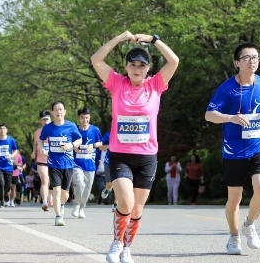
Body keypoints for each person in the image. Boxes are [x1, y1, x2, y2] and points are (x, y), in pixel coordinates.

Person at [91, 30, 179, 263]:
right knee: (126, 203)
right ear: (126, 67)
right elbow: (96, 60)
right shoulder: (117, 83)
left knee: (138, 208)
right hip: (120, 155)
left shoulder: (156, 85)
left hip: (147, 157)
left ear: (148, 68)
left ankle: (127, 248)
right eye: (132, 64)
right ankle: (116, 242)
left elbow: (174, 61)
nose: (137, 68)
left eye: (142, 64)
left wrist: (154, 40)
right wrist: (119, 39)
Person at [205, 42, 260, 255]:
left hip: (258, 146)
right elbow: (209, 115)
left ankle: (249, 224)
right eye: (247, 57)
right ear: (237, 63)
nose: (252, 61)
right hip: (234, 150)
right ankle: (234, 237)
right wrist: (231, 118)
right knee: (234, 198)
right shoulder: (226, 89)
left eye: (255, 57)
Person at [39, 101, 83, 226]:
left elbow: (79, 139)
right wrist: (42, 149)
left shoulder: (71, 126)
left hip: (68, 164)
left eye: (60, 109)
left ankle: (62, 204)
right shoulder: (48, 128)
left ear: (64, 112)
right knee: (56, 192)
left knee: (65, 193)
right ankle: (58, 216)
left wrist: (71, 145)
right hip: (53, 164)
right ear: (53, 113)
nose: (58, 111)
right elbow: (41, 140)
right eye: (56, 109)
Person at [72, 107, 103, 219]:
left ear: (89, 117)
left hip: (90, 163)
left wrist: (93, 145)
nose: (84, 120)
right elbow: (69, 141)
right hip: (77, 163)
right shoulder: (75, 129)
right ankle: (76, 205)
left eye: (86, 117)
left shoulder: (95, 130)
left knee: (87, 188)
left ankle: (82, 208)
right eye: (82, 118)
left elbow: (100, 142)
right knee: (80, 184)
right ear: (79, 118)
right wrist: (74, 146)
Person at [0, 123, 19, 208]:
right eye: (0, 129)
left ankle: (5, 194)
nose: (2, 130)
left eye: (4, 129)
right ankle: (1, 201)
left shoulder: (11, 140)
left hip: (8, 166)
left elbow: (16, 150)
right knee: (1, 183)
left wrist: (11, 156)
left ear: (7, 130)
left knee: (8, 185)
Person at [31, 110, 53, 211]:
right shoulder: (37, 132)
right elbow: (36, 144)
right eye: (43, 120)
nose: (45, 121)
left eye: (47, 119)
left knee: (51, 181)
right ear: (41, 121)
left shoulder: (55, 130)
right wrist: (33, 152)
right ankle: (44, 201)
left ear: (50, 119)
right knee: (44, 179)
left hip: (54, 160)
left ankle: (51, 197)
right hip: (41, 160)